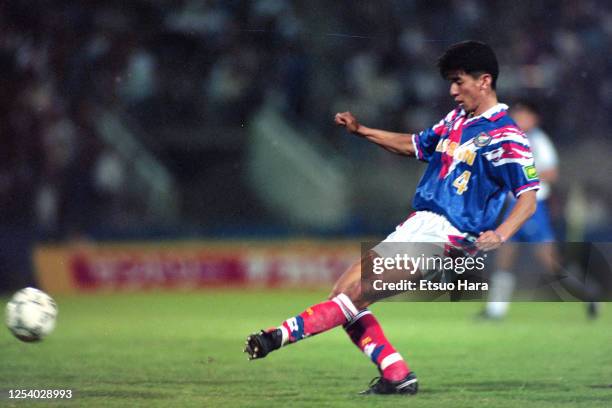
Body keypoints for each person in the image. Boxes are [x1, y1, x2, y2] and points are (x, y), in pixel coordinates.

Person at [243, 41, 538, 395]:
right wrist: (363, 131)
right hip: (418, 223)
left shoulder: (508, 136)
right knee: (343, 294)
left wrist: (501, 234)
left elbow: (528, 198)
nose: (452, 91)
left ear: (485, 81)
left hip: (449, 234)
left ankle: (278, 336)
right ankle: (396, 374)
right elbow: (415, 145)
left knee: (353, 295)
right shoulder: (456, 120)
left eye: (459, 82)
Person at [483, 101, 599, 318]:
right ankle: (495, 310)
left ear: (534, 119)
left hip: (533, 207)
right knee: (504, 255)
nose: (518, 118)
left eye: (523, 115)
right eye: (516, 114)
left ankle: (588, 293)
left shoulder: (538, 141)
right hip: (513, 205)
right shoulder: (510, 140)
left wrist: (524, 176)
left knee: (550, 263)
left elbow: (551, 174)